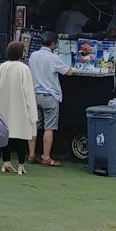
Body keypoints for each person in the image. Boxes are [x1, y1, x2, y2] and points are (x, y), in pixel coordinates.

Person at [28, 31, 73, 166]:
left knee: (34, 127)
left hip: (34, 95)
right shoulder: (53, 58)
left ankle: (31, 155)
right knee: (49, 128)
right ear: (53, 44)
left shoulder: (33, 56)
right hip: (50, 96)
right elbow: (68, 72)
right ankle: (46, 157)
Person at [0, 41, 38, 174]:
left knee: (6, 136)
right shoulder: (23, 68)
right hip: (21, 108)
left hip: (3, 107)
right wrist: (32, 113)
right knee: (21, 136)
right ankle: (21, 164)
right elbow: (28, 91)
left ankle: (5, 162)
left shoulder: (2, 67)